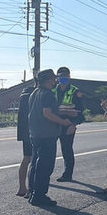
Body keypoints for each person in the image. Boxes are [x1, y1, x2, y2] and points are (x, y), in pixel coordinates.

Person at [28, 69, 74, 206]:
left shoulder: (35, 92)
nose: (56, 81)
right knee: (45, 166)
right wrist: (64, 122)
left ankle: (33, 192)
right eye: (54, 79)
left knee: (36, 163)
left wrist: (66, 111)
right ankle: (39, 196)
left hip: (36, 134)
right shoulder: (47, 94)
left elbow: (48, 110)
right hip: (46, 134)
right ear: (48, 80)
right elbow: (47, 113)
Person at [53, 66, 85, 182]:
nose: (63, 79)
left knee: (66, 150)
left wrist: (74, 125)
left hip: (68, 125)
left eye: (65, 76)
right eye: (61, 77)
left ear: (69, 77)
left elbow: (81, 112)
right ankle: (45, 173)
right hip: (53, 124)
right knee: (50, 150)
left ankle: (68, 174)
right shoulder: (52, 90)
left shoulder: (75, 91)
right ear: (57, 77)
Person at [16, 84, 34, 197]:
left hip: (24, 132)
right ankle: (31, 189)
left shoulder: (24, 95)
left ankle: (22, 188)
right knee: (34, 160)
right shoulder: (36, 94)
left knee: (26, 159)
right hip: (34, 131)